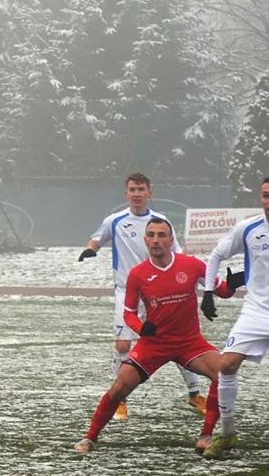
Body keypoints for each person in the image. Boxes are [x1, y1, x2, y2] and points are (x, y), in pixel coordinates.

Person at [74, 218, 235, 452]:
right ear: (145, 240)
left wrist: (233, 283)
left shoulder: (191, 265)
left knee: (223, 372)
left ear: (171, 240)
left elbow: (223, 291)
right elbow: (128, 313)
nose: (156, 240)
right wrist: (141, 329)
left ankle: (206, 435)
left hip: (189, 342)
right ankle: (90, 437)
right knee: (120, 387)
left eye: (161, 235)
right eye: (151, 235)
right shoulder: (138, 274)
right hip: (154, 344)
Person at [79, 173, 206, 419]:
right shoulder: (115, 221)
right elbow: (96, 238)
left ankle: (194, 394)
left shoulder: (161, 222)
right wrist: (90, 250)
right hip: (127, 292)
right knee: (122, 344)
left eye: (141, 189)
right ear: (126, 194)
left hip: (159, 294)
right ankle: (119, 400)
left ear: (149, 193)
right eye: (132, 189)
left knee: (176, 342)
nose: (137, 194)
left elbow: (177, 254)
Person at [199, 176, 269, 459]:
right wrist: (207, 292)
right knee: (226, 364)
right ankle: (227, 435)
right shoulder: (248, 228)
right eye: (265, 195)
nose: (268, 201)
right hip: (256, 310)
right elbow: (216, 255)